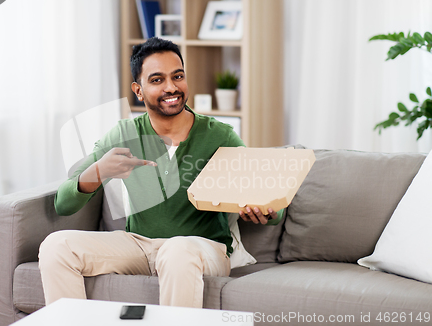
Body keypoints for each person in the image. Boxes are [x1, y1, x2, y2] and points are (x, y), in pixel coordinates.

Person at [38, 37, 280, 308]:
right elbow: (63, 203)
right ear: (138, 90)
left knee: (177, 249)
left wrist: (265, 210)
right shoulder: (124, 134)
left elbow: (271, 207)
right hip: (139, 245)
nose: (171, 87)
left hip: (201, 248)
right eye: (157, 80)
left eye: (178, 76)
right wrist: (98, 171)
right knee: (56, 246)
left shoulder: (219, 136)